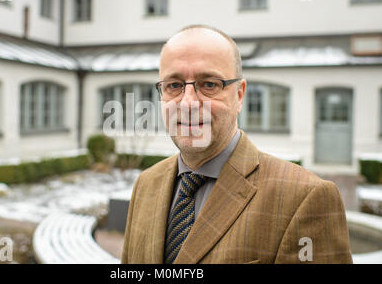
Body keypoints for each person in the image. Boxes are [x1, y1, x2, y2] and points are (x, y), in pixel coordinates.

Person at [121, 25, 353, 264]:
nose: (188, 103)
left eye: (209, 84)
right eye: (174, 85)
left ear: (240, 95)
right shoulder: (146, 184)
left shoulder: (304, 199)